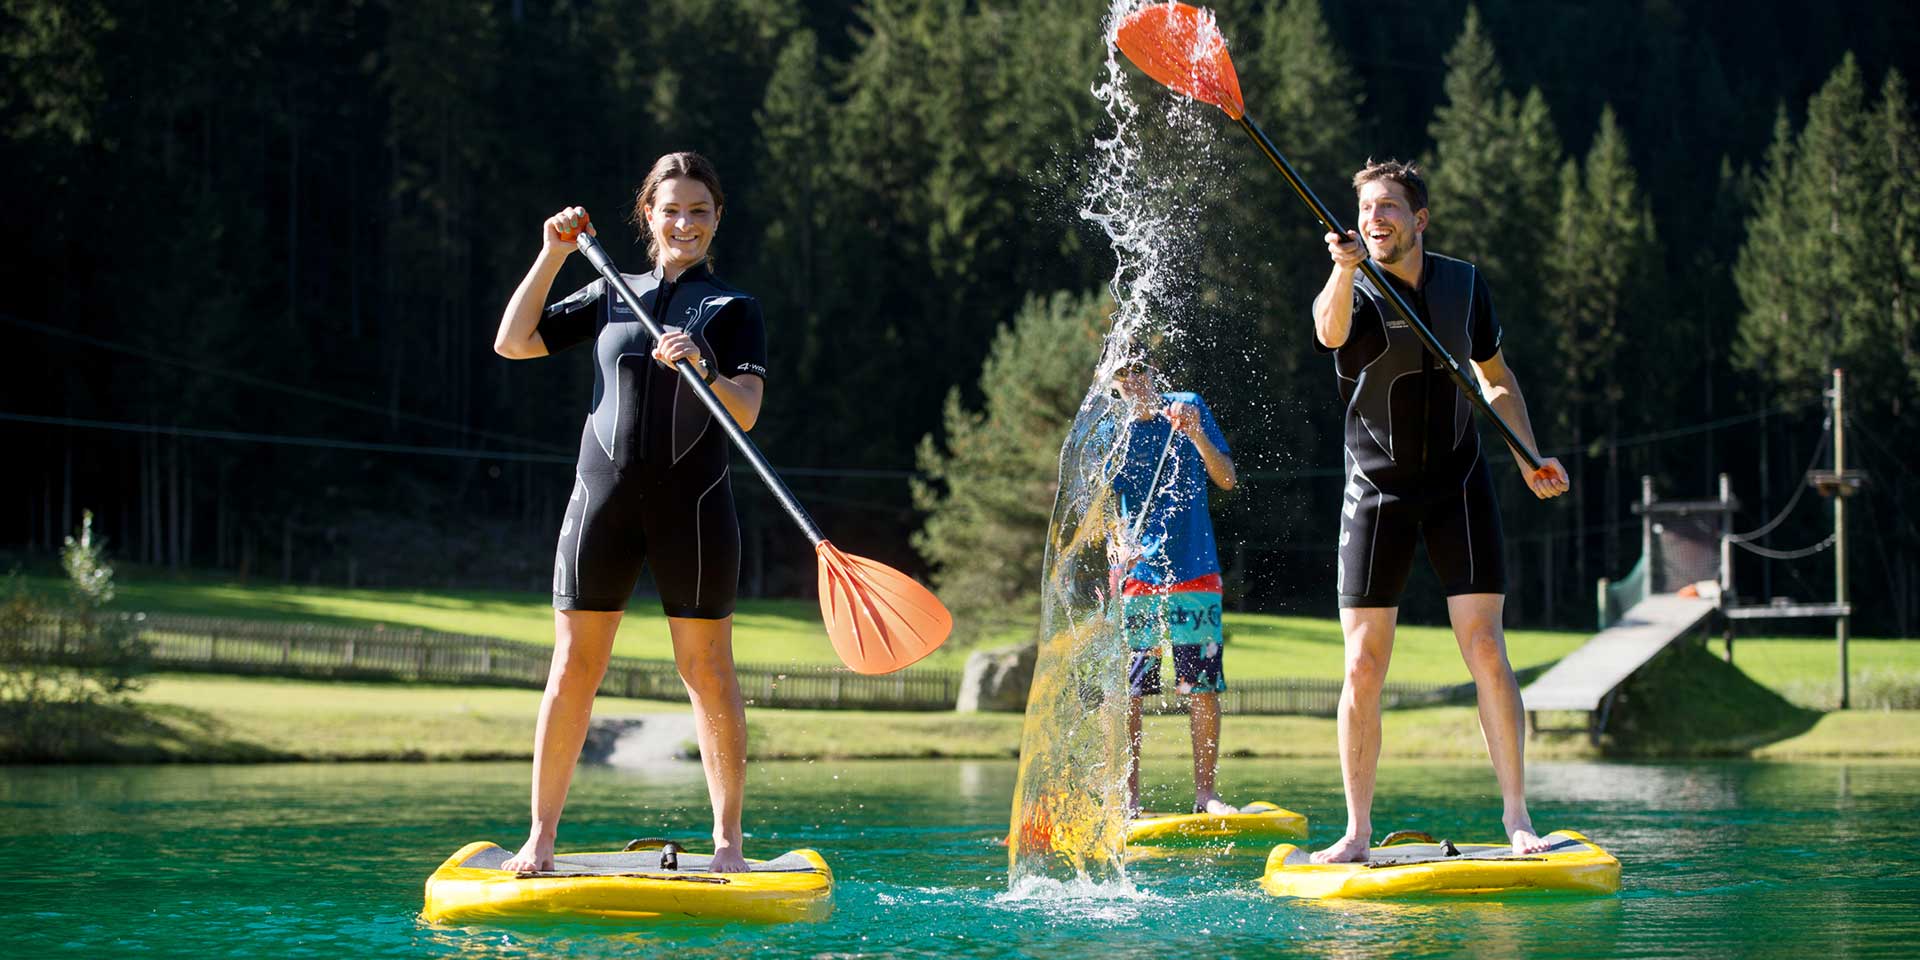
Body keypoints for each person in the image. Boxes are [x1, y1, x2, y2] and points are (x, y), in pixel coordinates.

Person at [491, 152, 768, 873]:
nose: (685, 223)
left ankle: (728, 845)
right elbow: (514, 342)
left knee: (708, 672)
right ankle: (541, 839)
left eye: (699, 211)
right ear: (647, 214)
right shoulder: (611, 291)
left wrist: (705, 365)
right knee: (572, 669)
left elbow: (746, 413)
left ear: (716, 220)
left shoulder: (734, 310)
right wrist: (552, 254)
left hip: (695, 511)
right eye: (671, 209)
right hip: (601, 506)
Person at [1308, 159, 1570, 862]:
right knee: (1364, 661)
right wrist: (1342, 269)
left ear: (1419, 219)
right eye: (1366, 210)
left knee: (1486, 646)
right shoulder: (1355, 286)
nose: (1375, 221)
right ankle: (1357, 833)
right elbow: (1328, 334)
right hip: (1377, 489)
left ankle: (1518, 817)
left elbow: (1495, 377)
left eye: (1389, 208)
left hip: (1458, 483)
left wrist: (1527, 454)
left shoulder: (1465, 284)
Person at [1107, 363, 1240, 819]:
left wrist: (1197, 434)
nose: (1137, 382)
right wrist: (1114, 546)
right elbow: (1102, 507)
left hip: (1194, 569)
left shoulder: (1188, 407)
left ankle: (1206, 795)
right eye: (1126, 377)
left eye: (1143, 372)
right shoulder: (1111, 430)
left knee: (1200, 683)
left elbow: (1227, 478)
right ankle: (1128, 799)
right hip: (1139, 573)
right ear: (1114, 384)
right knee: (1133, 687)